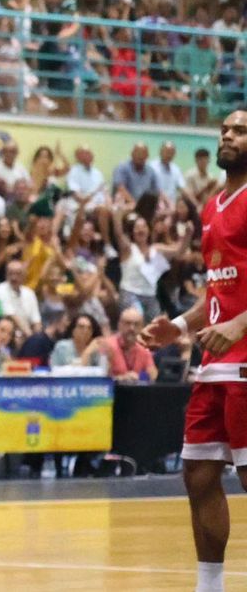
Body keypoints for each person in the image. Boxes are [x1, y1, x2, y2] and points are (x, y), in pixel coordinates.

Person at [139, 109, 247, 592]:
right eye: (225, 129)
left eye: (241, 130)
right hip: (214, 364)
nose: (229, 135)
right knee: (199, 475)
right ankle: (210, 587)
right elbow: (218, 293)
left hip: (244, 361)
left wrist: (242, 323)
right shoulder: (212, 206)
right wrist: (178, 326)